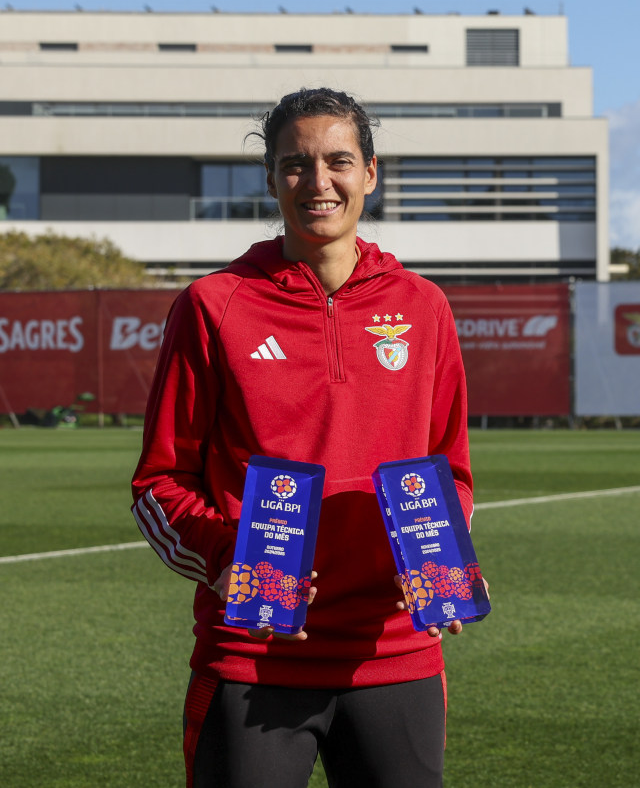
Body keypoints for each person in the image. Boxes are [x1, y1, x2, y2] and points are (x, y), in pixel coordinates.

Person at [131, 87, 474, 788]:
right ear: (272, 180)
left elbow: (452, 473)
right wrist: (227, 558)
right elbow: (159, 482)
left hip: (395, 651)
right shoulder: (213, 304)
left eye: (338, 161)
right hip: (254, 652)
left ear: (370, 173)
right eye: (295, 164)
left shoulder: (424, 307)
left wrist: (447, 560)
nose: (318, 182)